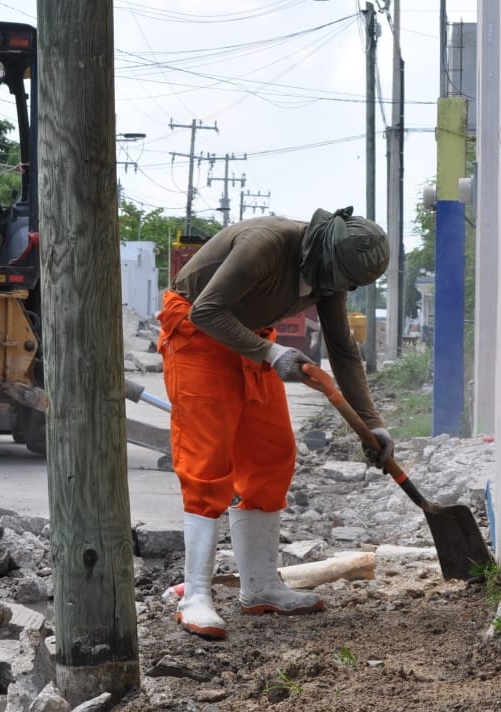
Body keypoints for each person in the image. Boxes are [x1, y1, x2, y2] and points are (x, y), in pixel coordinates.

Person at [157, 206, 393, 639]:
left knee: (272, 454)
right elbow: (206, 311)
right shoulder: (265, 243)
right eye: (336, 283)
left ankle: (261, 586)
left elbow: (343, 349)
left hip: (249, 338)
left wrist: (372, 422)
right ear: (321, 254)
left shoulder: (331, 270)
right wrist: (271, 354)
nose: (335, 291)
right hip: (197, 334)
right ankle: (195, 595)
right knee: (207, 462)